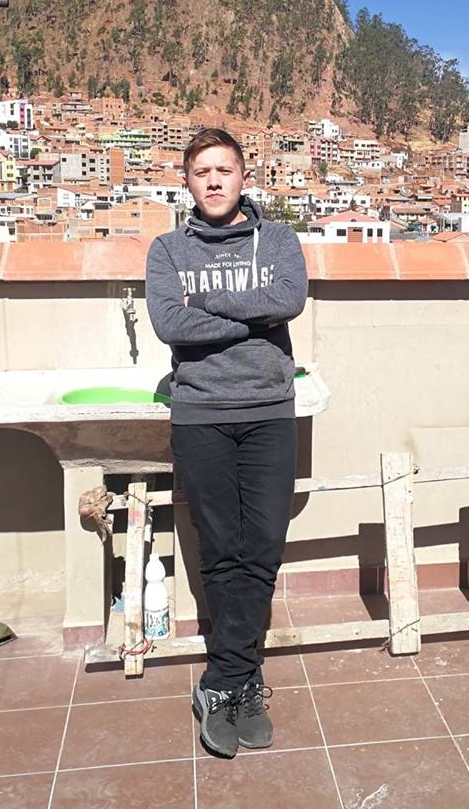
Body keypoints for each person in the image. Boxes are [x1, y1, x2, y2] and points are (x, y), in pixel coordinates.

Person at [144, 127, 308, 758]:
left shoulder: (280, 239)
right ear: (187, 181)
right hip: (201, 414)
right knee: (220, 549)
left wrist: (207, 301)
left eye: (224, 170)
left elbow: (289, 298)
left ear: (244, 176)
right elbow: (170, 323)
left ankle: (222, 680)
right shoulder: (167, 250)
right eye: (201, 171)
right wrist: (254, 316)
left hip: (269, 410)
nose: (213, 181)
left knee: (262, 546)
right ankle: (240, 683)